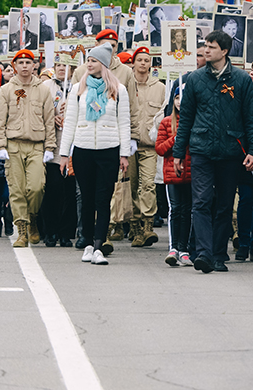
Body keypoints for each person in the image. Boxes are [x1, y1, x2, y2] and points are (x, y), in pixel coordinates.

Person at [170, 30, 253, 274]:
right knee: (200, 202)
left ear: (224, 51)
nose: (206, 50)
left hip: (231, 151)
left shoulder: (241, 80)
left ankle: (219, 254)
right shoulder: (196, 80)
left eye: (211, 47)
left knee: (223, 205)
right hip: (201, 150)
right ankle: (204, 254)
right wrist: (178, 153)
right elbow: (185, 119)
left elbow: (251, 119)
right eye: (205, 46)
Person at [60, 45, 132, 266]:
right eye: (88, 60)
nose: (89, 64)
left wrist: (124, 153)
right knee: (87, 199)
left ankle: (100, 245)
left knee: (103, 199)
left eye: (93, 60)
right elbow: (70, 121)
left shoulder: (118, 90)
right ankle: (88, 243)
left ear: (104, 64)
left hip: (108, 150)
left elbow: (124, 122)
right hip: (83, 150)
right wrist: (64, 153)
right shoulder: (77, 90)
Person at [0, 49, 56, 248]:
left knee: (37, 187)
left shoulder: (43, 89)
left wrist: (50, 146)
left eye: (29, 62)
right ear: (15, 65)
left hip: (36, 145)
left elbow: (49, 120)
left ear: (34, 65)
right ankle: (22, 230)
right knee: (17, 190)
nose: (25, 66)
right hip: (13, 145)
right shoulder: (6, 90)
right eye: (21, 62)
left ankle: (33, 217)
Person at [122, 46, 165, 249]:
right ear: (133, 63)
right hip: (128, 145)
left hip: (149, 146)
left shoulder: (160, 87)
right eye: (139, 60)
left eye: (147, 60)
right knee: (130, 186)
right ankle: (135, 227)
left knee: (148, 185)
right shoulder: (126, 85)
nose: (143, 64)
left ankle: (148, 225)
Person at [40, 62, 76, 248]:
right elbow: (39, 110)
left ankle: (66, 232)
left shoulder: (79, 85)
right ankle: (50, 231)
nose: (63, 69)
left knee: (69, 191)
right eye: (59, 65)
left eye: (66, 65)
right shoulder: (47, 86)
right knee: (52, 189)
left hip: (72, 146)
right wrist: (51, 117)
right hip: (53, 146)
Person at [155, 90, 193, 267]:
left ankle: (184, 249)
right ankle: (173, 248)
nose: (180, 102)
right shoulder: (165, 123)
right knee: (175, 209)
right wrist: (176, 139)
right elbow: (160, 148)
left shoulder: (194, 121)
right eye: (177, 98)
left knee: (188, 211)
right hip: (172, 173)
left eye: (183, 98)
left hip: (191, 172)